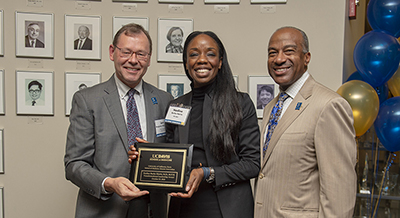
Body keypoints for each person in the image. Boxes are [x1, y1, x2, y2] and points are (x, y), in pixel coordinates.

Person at [64, 23, 173, 218]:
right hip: (104, 211)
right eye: (126, 52)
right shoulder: (87, 100)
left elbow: (173, 154)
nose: (133, 60)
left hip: (152, 211)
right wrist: (109, 183)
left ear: (149, 59)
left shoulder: (164, 100)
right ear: (112, 52)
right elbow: (74, 164)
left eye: (141, 54)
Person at [254, 26, 357, 217]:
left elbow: (339, 193)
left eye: (289, 51)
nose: (279, 59)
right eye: (272, 53)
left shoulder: (329, 106)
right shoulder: (271, 108)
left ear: (306, 57)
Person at [165, 31, 260, 218]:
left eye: (210, 53)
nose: (202, 60)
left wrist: (208, 173)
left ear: (220, 61)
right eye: (194, 54)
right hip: (183, 207)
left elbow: (252, 163)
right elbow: (169, 155)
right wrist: (144, 154)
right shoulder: (176, 106)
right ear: (186, 63)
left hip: (228, 209)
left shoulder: (240, 103)